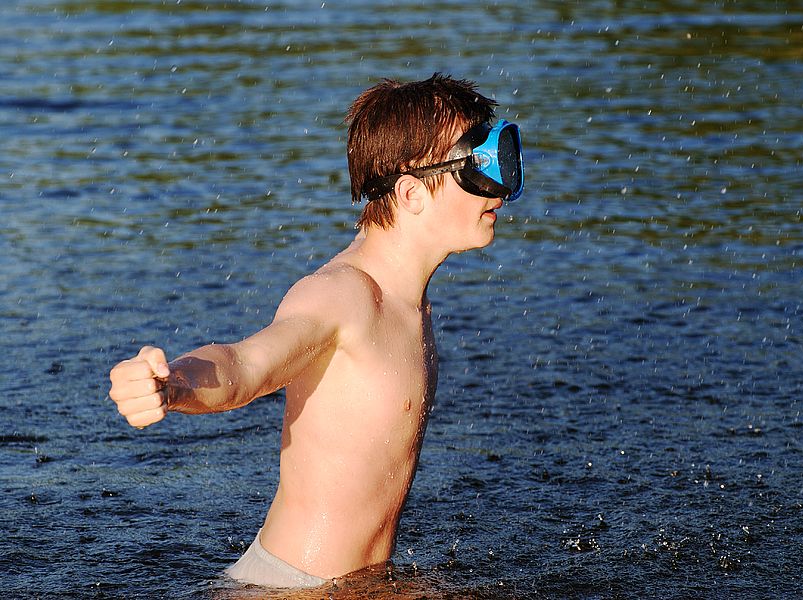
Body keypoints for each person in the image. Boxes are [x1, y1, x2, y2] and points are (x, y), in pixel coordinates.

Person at [107, 73, 524, 589]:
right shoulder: (344, 296)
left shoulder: (409, 304)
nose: (499, 191)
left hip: (357, 584)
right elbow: (245, 366)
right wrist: (171, 384)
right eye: (475, 170)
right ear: (413, 192)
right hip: (290, 588)